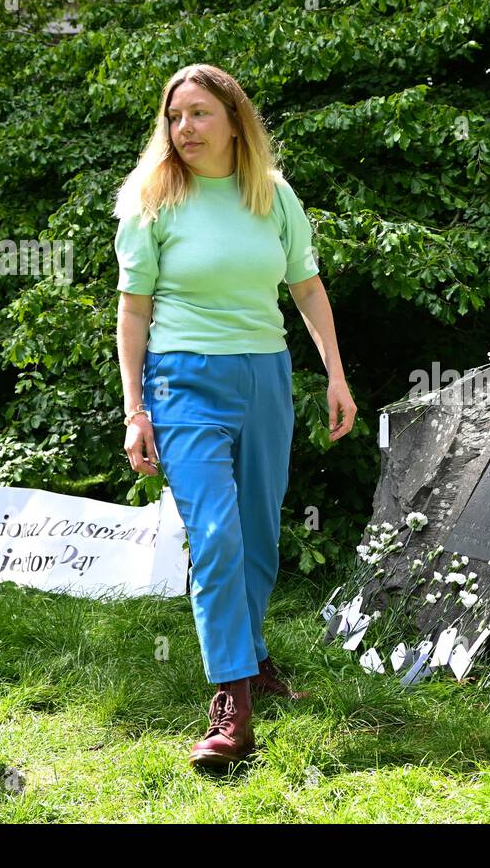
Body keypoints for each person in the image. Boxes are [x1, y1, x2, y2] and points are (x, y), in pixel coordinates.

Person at [112, 63, 356, 770]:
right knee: (215, 534)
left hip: (265, 379)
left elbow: (306, 287)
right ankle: (233, 708)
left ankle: (251, 658)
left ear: (233, 120)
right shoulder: (150, 202)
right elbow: (133, 311)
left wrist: (336, 374)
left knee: (255, 535)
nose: (184, 129)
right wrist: (136, 409)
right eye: (174, 117)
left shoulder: (271, 196)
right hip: (183, 382)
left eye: (198, 114)